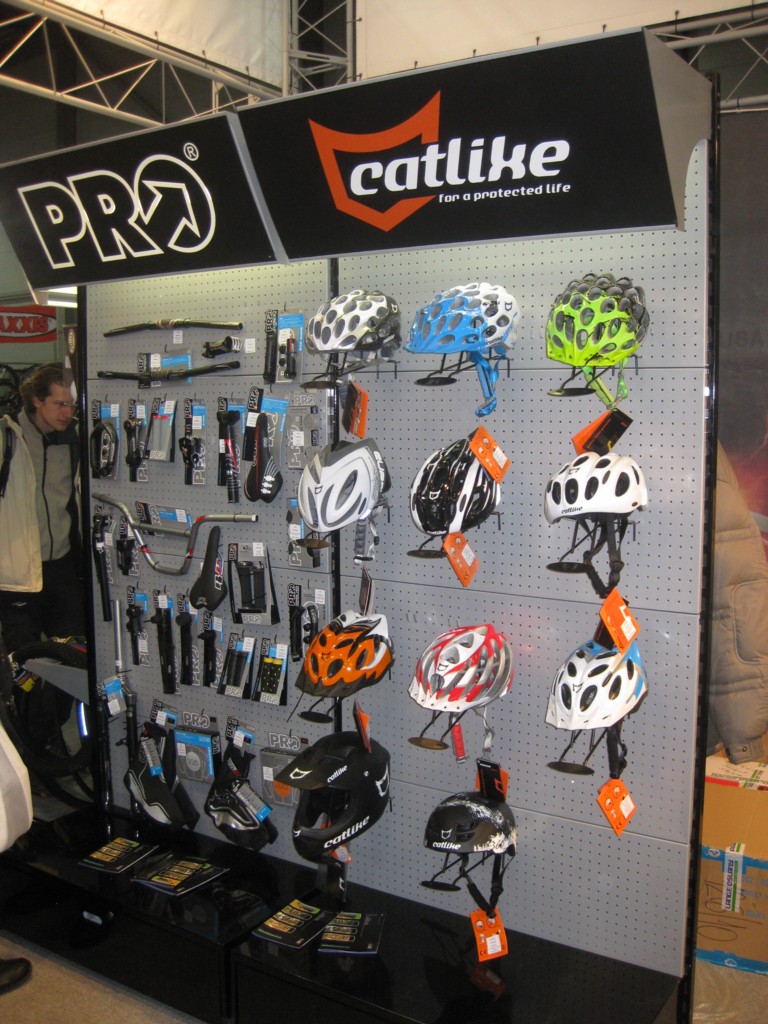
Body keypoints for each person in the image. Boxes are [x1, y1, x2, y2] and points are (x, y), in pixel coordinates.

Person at [0, 363, 85, 652]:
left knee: (75, 652)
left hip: (62, 566)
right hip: (19, 573)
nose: (67, 413)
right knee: (24, 658)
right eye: (60, 404)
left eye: (72, 405)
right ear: (37, 400)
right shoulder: (9, 436)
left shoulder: (73, 440)